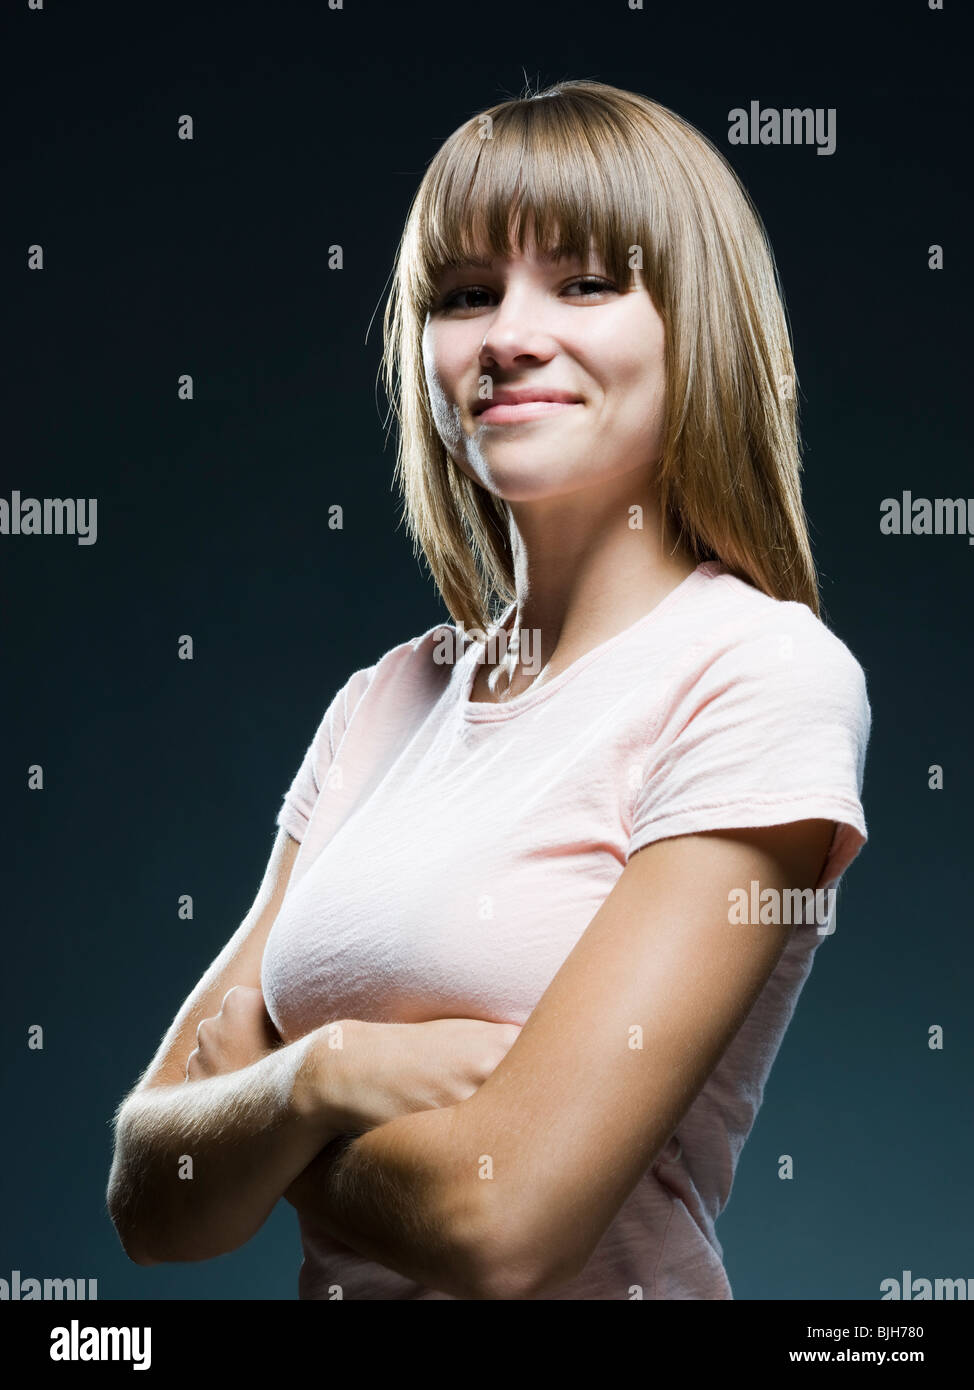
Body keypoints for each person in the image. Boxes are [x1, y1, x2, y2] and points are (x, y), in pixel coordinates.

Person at [107, 79, 871, 1300]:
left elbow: (503, 1224)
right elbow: (150, 1195)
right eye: (464, 295)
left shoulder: (757, 674)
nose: (507, 336)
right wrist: (323, 1077)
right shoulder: (381, 701)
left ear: (695, 322)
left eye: (583, 283)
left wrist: (257, 1108)